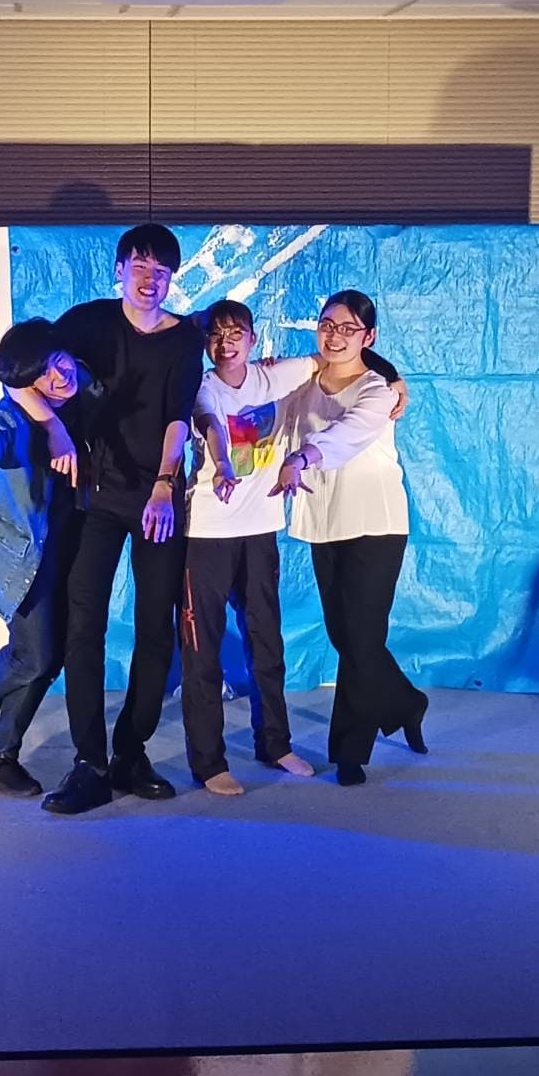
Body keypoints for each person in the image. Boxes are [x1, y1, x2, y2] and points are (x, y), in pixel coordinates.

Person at [14, 223, 205, 815]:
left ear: (172, 278)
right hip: (94, 500)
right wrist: (52, 425)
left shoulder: (184, 339)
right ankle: (90, 762)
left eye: (161, 271)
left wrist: (164, 484)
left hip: (156, 500)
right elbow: (15, 371)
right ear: (120, 269)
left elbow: (177, 417)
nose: (150, 280)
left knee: (156, 629)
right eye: (139, 267)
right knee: (83, 627)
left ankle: (131, 750)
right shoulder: (87, 322)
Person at [184, 298, 406, 795]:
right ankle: (209, 762)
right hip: (208, 532)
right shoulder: (203, 387)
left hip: (261, 527)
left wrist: (395, 378)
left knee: (268, 643)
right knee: (203, 651)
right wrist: (223, 465)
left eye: (235, 334)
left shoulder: (281, 376)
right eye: (216, 335)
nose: (226, 344)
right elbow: (211, 425)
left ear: (253, 338)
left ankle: (275, 743)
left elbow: (342, 357)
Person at [281, 290, 428, 786]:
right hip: (325, 521)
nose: (335, 336)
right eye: (328, 325)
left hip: (375, 522)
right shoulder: (303, 382)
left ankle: (350, 751)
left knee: (362, 638)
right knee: (343, 635)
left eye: (348, 328)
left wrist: (302, 457)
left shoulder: (379, 390)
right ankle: (406, 703)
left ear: (369, 336)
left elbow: (346, 434)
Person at [0, 322, 91, 796]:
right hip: (28, 559)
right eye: (43, 375)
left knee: (47, 661)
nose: (59, 377)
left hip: (75, 545)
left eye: (59, 362)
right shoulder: (13, 417)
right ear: (26, 385)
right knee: (34, 655)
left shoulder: (83, 386)